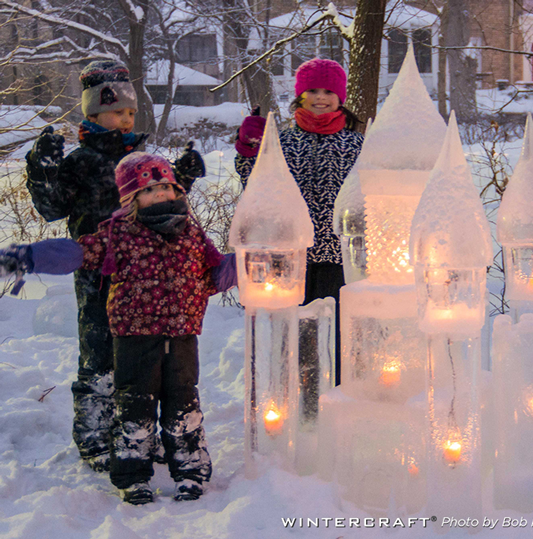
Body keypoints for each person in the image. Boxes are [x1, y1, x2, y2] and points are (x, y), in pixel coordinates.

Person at [1, 152, 237, 504]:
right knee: (135, 407)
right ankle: (132, 476)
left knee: (184, 406)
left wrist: (252, 261)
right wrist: (30, 256)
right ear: (130, 198)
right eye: (148, 188)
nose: (159, 193)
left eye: (165, 186)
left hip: (183, 335)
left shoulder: (193, 234)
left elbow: (215, 276)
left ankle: (190, 472)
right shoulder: (119, 233)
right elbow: (75, 254)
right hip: (134, 338)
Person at [25, 60, 205, 472]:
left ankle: (135, 433)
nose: (125, 119)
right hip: (95, 275)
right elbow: (51, 208)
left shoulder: (144, 159)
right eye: (116, 112)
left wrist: (183, 177)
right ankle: (93, 434)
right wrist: (44, 169)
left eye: (130, 113)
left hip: (145, 279)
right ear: (92, 114)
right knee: (99, 353)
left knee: (143, 358)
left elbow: (164, 205)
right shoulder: (80, 161)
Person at [234, 58, 364, 385]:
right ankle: (298, 401)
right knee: (294, 337)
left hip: (339, 260)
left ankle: (337, 396)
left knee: (337, 336)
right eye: (312, 91)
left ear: (341, 97)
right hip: (292, 258)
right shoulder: (282, 142)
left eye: (328, 91)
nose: (320, 98)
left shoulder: (357, 144)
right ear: (299, 96)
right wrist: (251, 151)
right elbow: (257, 184)